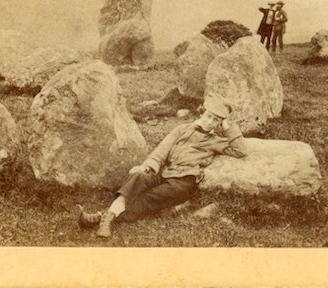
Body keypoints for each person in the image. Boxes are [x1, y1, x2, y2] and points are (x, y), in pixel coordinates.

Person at [77, 98, 247, 238]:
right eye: (209, 116)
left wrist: (228, 127)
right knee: (138, 176)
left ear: (220, 123)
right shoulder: (181, 129)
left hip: (183, 181)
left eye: (216, 120)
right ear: (202, 113)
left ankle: (104, 217)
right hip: (164, 170)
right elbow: (161, 151)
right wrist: (146, 166)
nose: (210, 122)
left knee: (150, 198)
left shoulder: (216, 140)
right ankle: (105, 217)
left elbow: (240, 150)